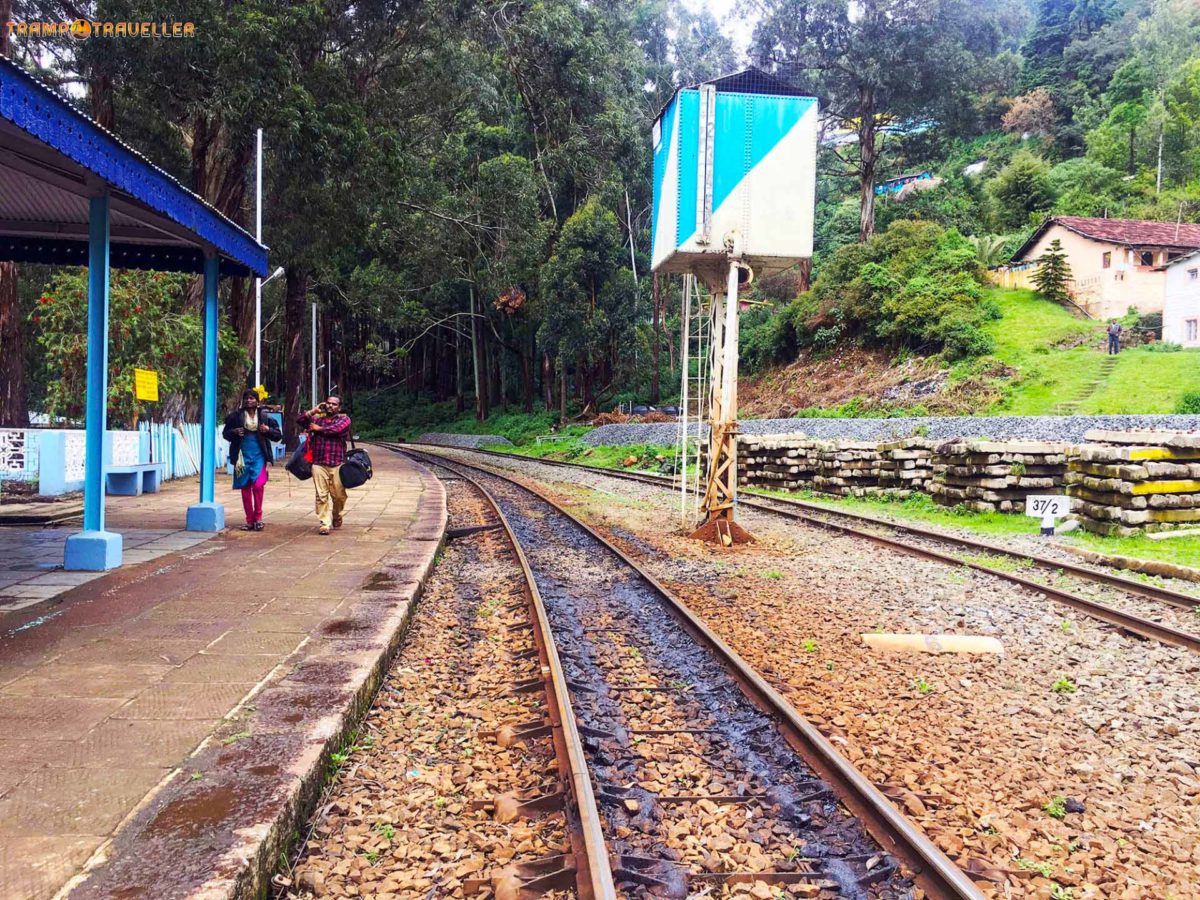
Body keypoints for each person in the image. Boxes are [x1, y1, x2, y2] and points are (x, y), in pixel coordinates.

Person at [223, 389, 282, 531]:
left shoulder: (264, 417)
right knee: (245, 487)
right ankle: (249, 520)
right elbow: (226, 433)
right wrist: (234, 432)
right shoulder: (236, 417)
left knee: (258, 485)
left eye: (252, 398)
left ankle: (258, 517)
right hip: (241, 455)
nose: (249, 400)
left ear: (257, 401)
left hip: (259, 454)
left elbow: (277, 435)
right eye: (246, 398)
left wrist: (267, 430)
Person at [297, 395, 352, 535]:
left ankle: (337, 515)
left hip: (337, 462)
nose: (330, 406)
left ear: (339, 407)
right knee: (321, 495)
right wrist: (313, 411)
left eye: (334, 404)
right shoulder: (317, 419)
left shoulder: (344, 420)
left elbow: (336, 430)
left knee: (339, 496)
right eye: (328, 403)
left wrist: (318, 429)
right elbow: (300, 420)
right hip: (318, 463)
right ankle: (324, 523)